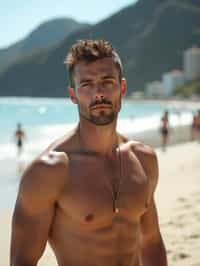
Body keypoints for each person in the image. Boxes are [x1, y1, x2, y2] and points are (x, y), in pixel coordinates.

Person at [10, 40, 167, 266]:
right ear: (73, 95)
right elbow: (22, 260)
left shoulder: (144, 159)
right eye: (87, 84)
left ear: (122, 88)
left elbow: (151, 242)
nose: (99, 93)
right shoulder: (49, 172)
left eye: (107, 82)